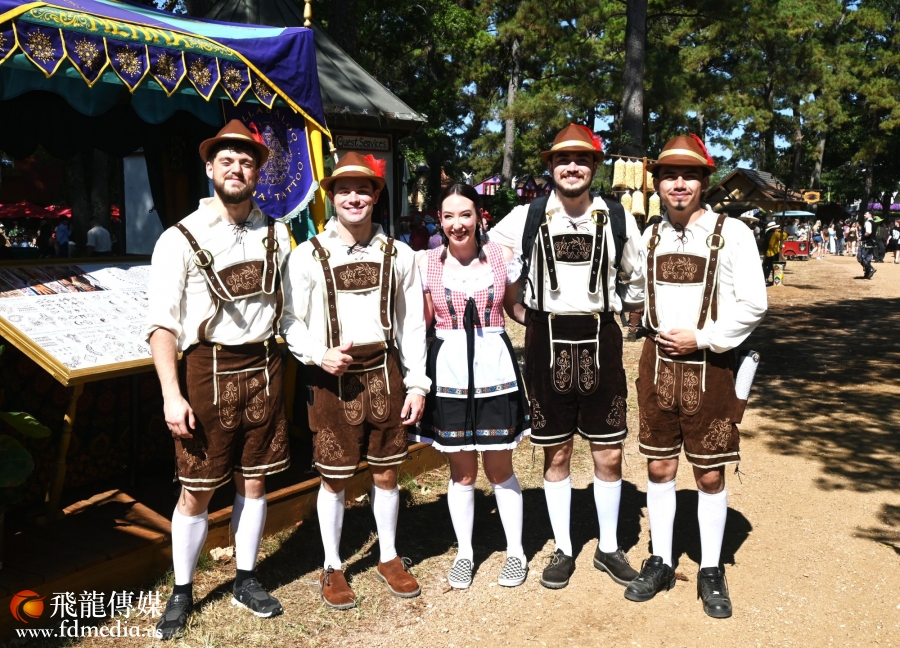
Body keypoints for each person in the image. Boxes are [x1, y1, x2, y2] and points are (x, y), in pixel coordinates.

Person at [145, 120, 291, 639]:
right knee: (197, 489)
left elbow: (291, 307)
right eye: (227, 160)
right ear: (209, 168)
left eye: (247, 162)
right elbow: (162, 326)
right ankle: (182, 591)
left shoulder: (278, 233)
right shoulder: (178, 238)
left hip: (266, 366)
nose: (237, 169)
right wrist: (171, 395)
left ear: (258, 173)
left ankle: (245, 579)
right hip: (207, 369)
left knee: (255, 479)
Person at [489, 123, 645, 590]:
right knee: (555, 450)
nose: (571, 167)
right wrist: (517, 308)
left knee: (609, 450)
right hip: (546, 338)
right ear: (551, 166)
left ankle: (609, 547)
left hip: (601, 336)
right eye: (563, 159)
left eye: (581, 159)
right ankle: (563, 547)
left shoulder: (617, 217)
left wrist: (627, 311)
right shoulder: (528, 215)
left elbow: (636, 277)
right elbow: (492, 258)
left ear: (594, 166)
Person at [625, 134, 767, 619]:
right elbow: (632, 289)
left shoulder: (734, 233)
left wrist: (702, 337)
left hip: (712, 367)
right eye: (669, 176)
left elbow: (754, 304)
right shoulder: (648, 237)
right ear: (658, 184)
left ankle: (710, 568)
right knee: (659, 467)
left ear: (704, 181)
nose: (679, 184)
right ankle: (661, 560)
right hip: (657, 365)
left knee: (708, 471)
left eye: (689, 175)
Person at [282, 152, 428, 610]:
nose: (353, 198)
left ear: (376, 195)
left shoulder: (399, 254)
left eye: (363, 190)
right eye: (344, 190)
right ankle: (332, 564)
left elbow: (411, 324)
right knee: (334, 476)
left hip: (384, 370)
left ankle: (388, 556)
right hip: (332, 376)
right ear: (331, 196)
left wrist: (417, 383)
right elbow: (288, 320)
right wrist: (317, 353)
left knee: (387, 469)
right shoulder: (306, 256)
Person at [415, 183, 529, 589]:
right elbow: (423, 323)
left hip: (495, 368)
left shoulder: (501, 257)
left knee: (499, 468)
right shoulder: (426, 263)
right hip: (449, 371)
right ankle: (465, 553)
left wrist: (550, 322)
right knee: (462, 472)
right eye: (449, 216)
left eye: (465, 214)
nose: (457, 224)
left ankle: (515, 551)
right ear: (440, 220)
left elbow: (514, 308)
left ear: (479, 215)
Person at [859, 212, 877, 279]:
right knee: (867, 259)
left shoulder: (868, 222)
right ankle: (867, 273)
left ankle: (870, 269)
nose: (864, 215)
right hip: (872, 243)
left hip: (866, 242)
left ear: (870, 215)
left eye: (865, 214)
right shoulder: (874, 223)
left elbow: (868, 232)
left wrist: (861, 238)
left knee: (860, 258)